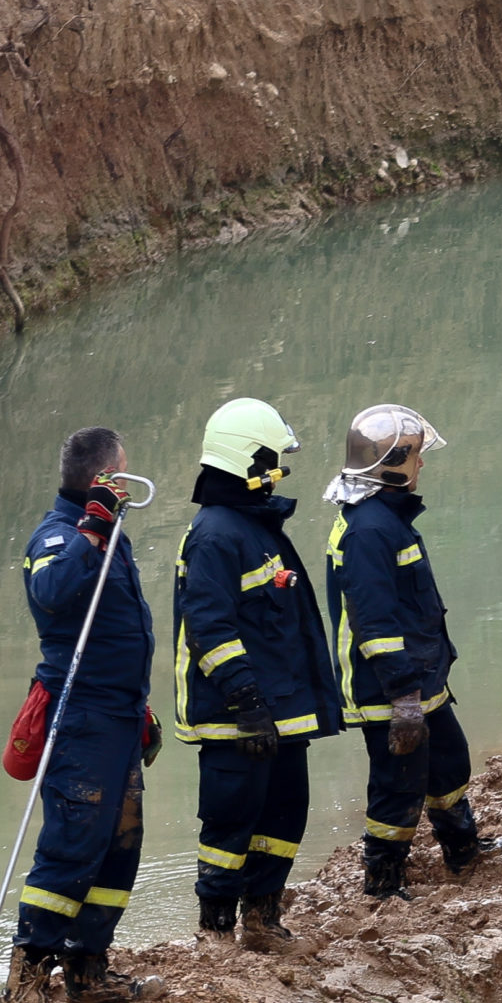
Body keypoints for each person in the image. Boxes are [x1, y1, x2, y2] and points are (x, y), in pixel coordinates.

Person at [173, 396, 343, 956]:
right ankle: (216, 931)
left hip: (281, 712)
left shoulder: (255, 526)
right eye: (272, 457)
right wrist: (246, 701)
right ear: (248, 458)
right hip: (238, 719)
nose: (279, 469)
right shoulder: (218, 535)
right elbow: (209, 628)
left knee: (285, 814)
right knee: (229, 825)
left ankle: (264, 920)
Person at [3, 427, 164, 1003]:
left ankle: (87, 967)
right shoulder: (57, 535)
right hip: (80, 715)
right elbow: (51, 592)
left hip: (118, 711)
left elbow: (116, 632)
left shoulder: (110, 535)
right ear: (106, 480)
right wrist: (92, 529)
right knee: (73, 844)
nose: (128, 482)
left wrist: (138, 704)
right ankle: (23, 984)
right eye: (122, 473)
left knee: (120, 845)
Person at [323, 404, 502, 901]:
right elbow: (375, 622)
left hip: (418, 676)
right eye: (417, 456)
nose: (421, 465)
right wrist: (403, 696)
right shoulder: (370, 529)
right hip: (388, 685)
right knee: (397, 784)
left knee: (448, 763)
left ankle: (463, 849)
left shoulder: (385, 518)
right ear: (393, 462)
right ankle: (382, 881)